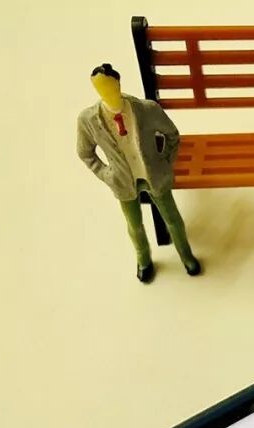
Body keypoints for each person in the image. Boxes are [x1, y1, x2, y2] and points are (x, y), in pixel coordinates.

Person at [76, 63, 202, 283]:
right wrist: (106, 174)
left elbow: (171, 134)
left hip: (154, 174)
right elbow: (85, 153)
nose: (107, 93)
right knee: (134, 225)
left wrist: (165, 161)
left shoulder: (146, 109)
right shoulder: (88, 120)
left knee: (172, 219)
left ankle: (186, 255)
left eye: (110, 87)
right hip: (123, 181)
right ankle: (143, 260)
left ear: (118, 84)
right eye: (101, 89)